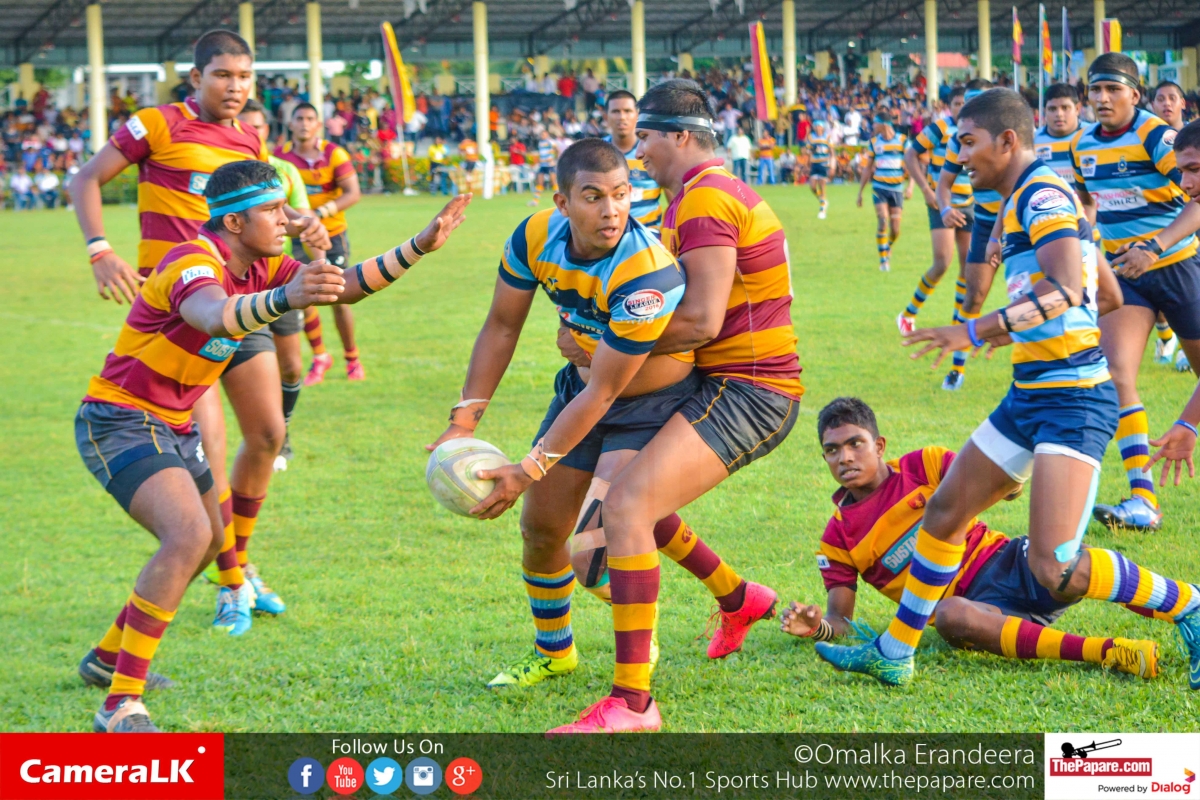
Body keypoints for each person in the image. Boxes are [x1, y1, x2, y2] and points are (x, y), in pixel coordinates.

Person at [817, 88, 1200, 691]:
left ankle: (1190, 605)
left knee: (1053, 566)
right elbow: (1107, 295)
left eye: (968, 142)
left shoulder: (1042, 195)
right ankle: (894, 651)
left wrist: (979, 328)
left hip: (1073, 401)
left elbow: (1067, 289)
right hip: (1030, 394)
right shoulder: (1025, 199)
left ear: (1007, 141)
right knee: (944, 511)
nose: (959, 156)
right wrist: (1031, 314)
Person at [76, 159, 469, 731]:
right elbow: (214, 316)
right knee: (189, 537)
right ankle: (120, 704)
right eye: (272, 210)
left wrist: (419, 246)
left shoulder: (260, 264)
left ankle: (106, 658)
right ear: (234, 223)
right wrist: (285, 297)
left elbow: (344, 286)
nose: (287, 219)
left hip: (174, 424)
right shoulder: (193, 260)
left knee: (210, 543)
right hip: (120, 419)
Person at [547, 79, 802, 733]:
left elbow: (700, 321)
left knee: (624, 510)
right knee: (631, 509)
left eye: (647, 138)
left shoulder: (707, 199)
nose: (638, 152)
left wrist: (599, 341)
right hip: (712, 382)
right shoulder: (699, 194)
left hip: (750, 389)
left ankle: (634, 704)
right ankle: (738, 597)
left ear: (680, 137)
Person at [70, 31, 329, 639]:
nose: (235, 87)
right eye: (222, 75)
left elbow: (260, 205)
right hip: (188, 312)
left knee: (268, 434)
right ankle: (232, 581)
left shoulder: (249, 139)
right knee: (207, 455)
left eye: (244, 76)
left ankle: (235, 562)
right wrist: (100, 249)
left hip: (246, 297)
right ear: (196, 77)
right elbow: (85, 178)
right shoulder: (156, 124)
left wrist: (302, 221)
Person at [426, 139, 696, 709]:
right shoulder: (534, 236)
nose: (611, 211)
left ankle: (639, 647)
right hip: (584, 389)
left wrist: (527, 468)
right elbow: (502, 326)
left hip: (649, 403)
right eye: (593, 197)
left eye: (621, 194)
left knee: (596, 551)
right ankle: (555, 651)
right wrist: (464, 420)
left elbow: (606, 389)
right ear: (562, 202)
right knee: (542, 530)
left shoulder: (646, 273)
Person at [784, 397, 1160, 679]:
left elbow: (1003, 486)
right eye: (832, 450)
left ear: (879, 446)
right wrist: (817, 626)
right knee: (951, 615)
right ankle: (1110, 652)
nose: (845, 458)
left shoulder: (924, 465)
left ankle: (1176, 606)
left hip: (1011, 562)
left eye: (855, 444)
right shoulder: (837, 538)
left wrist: (1010, 474)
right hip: (974, 609)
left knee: (1075, 561)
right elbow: (841, 619)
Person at [1070, 55, 1200, 532]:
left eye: (1113, 89)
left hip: (1179, 268)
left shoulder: (1156, 136)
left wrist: (1155, 246)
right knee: (1116, 373)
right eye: (1095, 89)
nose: (1102, 98)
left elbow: (1197, 201)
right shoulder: (1082, 145)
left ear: (1134, 94)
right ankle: (1143, 499)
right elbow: (1088, 202)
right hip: (1126, 275)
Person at [237, 98, 318, 476]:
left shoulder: (284, 171)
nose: (250, 133)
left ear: (266, 130)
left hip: (279, 275)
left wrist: (314, 238)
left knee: (290, 366)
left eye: (257, 126)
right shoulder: (223, 172)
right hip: (235, 282)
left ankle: (281, 434)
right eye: (243, 125)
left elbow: (302, 219)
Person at [277, 102, 366, 384]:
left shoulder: (333, 153)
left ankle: (352, 358)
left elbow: (352, 192)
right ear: (291, 124)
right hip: (295, 237)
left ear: (318, 125)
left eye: (309, 119)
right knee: (303, 296)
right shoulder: (279, 157)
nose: (304, 123)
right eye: (299, 118)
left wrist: (321, 213)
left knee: (338, 296)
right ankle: (320, 356)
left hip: (331, 235)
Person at [900, 88, 974, 391]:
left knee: (967, 271)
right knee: (942, 262)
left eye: (967, 103)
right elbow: (910, 154)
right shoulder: (941, 128)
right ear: (949, 106)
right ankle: (909, 312)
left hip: (972, 205)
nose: (962, 108)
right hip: (941, 204)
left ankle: (957, 330)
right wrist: (926, 190)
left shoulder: (980, 129)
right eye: (957, 103)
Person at [1150, 80, 1189, 372]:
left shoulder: (1194, 135)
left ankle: (1186, 349)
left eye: (1172, 98)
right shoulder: (1146, 140)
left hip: (1189, 221)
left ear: (1183, 103)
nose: (1166, 103)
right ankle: (1166, 337)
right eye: (1160, 98)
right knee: (1158, 299)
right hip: (1159, 228)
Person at [604, 90, 662, 231]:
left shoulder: (653, 151)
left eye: (627, 111)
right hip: (609, 236)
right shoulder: (595, 152)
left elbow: (673, 200)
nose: (622, 117)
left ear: (637, 115)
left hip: (649, 236)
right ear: (606, 116)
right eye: (615, 111)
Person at [858, 109, 907, 272]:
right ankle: (883, 260)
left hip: (897, 189)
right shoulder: (874, 142)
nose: (873, 126)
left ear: (884, 124)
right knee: (883, 220)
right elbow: (867, 168)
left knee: (896, 230)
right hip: (879, 187)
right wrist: (860, 192)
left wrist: (911, 186)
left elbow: (911, 164)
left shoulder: (902, 141)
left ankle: (888, 246)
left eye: (875, 123)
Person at [808, 120, 832, 219]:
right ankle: (823, 201)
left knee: (822, 187)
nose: (818, 128)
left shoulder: (827, 137)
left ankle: (822, 210)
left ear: (822, 128)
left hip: (823, 164)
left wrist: (832, 165)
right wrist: (808, 164)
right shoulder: (811, 137)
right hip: (814, 164)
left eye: (819, 126)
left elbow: (831, 151)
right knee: (812, 186)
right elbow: (809, 150)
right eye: (816, 126)